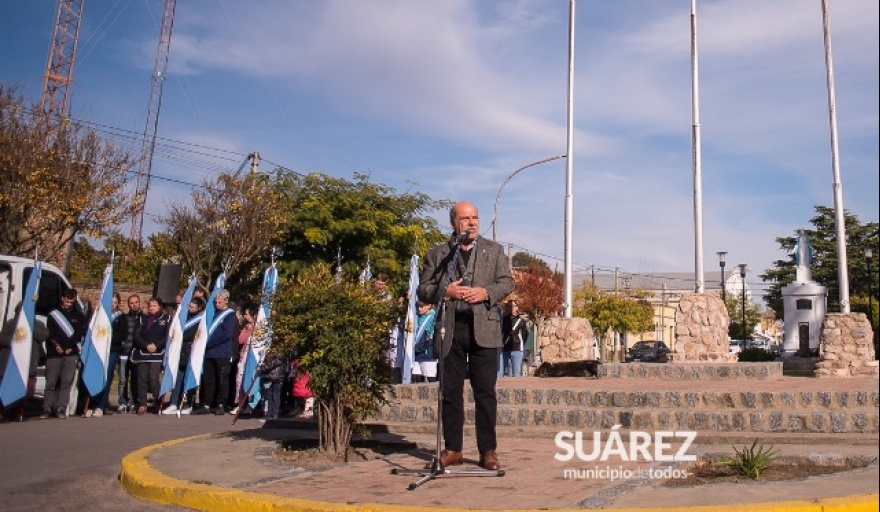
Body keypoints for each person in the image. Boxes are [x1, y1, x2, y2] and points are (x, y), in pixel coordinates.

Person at [416, 200, 514, 471]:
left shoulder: (493, 251)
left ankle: (488, 451)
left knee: (485, 392)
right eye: (465, 218)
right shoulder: (438, 255)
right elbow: (423, 289)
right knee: (449, 392)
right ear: (453, 223)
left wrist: (486, 293)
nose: (471, 223)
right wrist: (445, 292)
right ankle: (453, 449)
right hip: (450, 328)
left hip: (484, 328)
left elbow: (507, 282)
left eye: (475, 218)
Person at [42, 288, 88, 419]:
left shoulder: (79, 315)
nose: (69, 304)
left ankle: (61, 408)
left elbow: (79, 334)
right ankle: (46, 408)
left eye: (71, 302)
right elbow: (50, 333)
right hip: (54, 352)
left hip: (71, 352)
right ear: (62, 298)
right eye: (67, 301)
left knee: (66, 382)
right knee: (51, 382)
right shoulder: (53, 314)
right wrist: (57, 345)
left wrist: (70, 347)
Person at [194, 288, 237, 415]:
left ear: (226, 301)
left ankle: (221, 404)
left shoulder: (230, 315)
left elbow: (226, 334)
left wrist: (209, 343)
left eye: (219, 302)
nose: (217, 304)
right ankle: (207, 404)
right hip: (209, 353)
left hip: (222, 353)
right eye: (216, 301)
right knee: (209, 380)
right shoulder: (212, 313)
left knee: (222, 380)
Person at [87, 292, 128, 417]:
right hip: (98, 350)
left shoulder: (121, 317)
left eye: (115, 302)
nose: (113, 305)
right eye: (111, 302)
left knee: (106, 378)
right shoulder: (99, 315)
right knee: (95, 377)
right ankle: (91, 404)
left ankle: (101, 406)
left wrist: (108, 338)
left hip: (112, 351)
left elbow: (122, 334)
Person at [162, 295, 205, 415]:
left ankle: (188, 403)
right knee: (178, 378)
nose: (190, 308)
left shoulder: (200, 320)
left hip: (191, 351)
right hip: (180, 351)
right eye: (189, 306)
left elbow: (194, 334)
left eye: (193, 307)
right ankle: (174, 403)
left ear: (199, 308)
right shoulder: (183, 317)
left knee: (189, 377)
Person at [131, 296, 171, 414]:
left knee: (153, 379)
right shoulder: (142, 318)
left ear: (160, 306)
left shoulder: (167, 318)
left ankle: (158, 402)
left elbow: (167, 336)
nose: (152, 308)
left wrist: (156, 345)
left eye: (155, 306)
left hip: (158, 354)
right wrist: (146, 345)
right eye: (151, 306)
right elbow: (137, 335)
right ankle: (142, 404)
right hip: (143, 352)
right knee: (142, 379)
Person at [117, 294, 142, 413]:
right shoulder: (124, 318)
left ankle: (133, 402)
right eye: (131, 303)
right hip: (124, 353)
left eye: (136, 302)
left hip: (136, 353)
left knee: (134, 379)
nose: (134, 305)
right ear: (128, 305)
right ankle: (122, 401)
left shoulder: (144, 318)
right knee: (122, 379)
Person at [258, 348, 287, 422]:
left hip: (276, 377)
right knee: (269, 396)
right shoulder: (272, 351)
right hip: (271, 376)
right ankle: (269, 414)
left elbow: (273, 363)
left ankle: (274, 414)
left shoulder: (279, 352)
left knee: (275, 396)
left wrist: (262, 368)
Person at [411, 300, 438, 382]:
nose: (419, 309)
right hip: (416, 354)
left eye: (422, 307)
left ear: (429, 305)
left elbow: (432, 336)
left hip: (428, 354)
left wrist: (421, 348)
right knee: (416, 378)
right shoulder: (419, 316)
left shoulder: (434, 317)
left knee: (430, 378)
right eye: (418, 307)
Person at [502, 300, 529, 378]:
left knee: (516, 373)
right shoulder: (503, 320)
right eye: (510, 306)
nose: (512, 308)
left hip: (517, 348)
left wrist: (520, 343)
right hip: (506, 349)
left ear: (517, 308)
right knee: (508, 372)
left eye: (514, 306)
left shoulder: (521, 321)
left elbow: (525, 335)